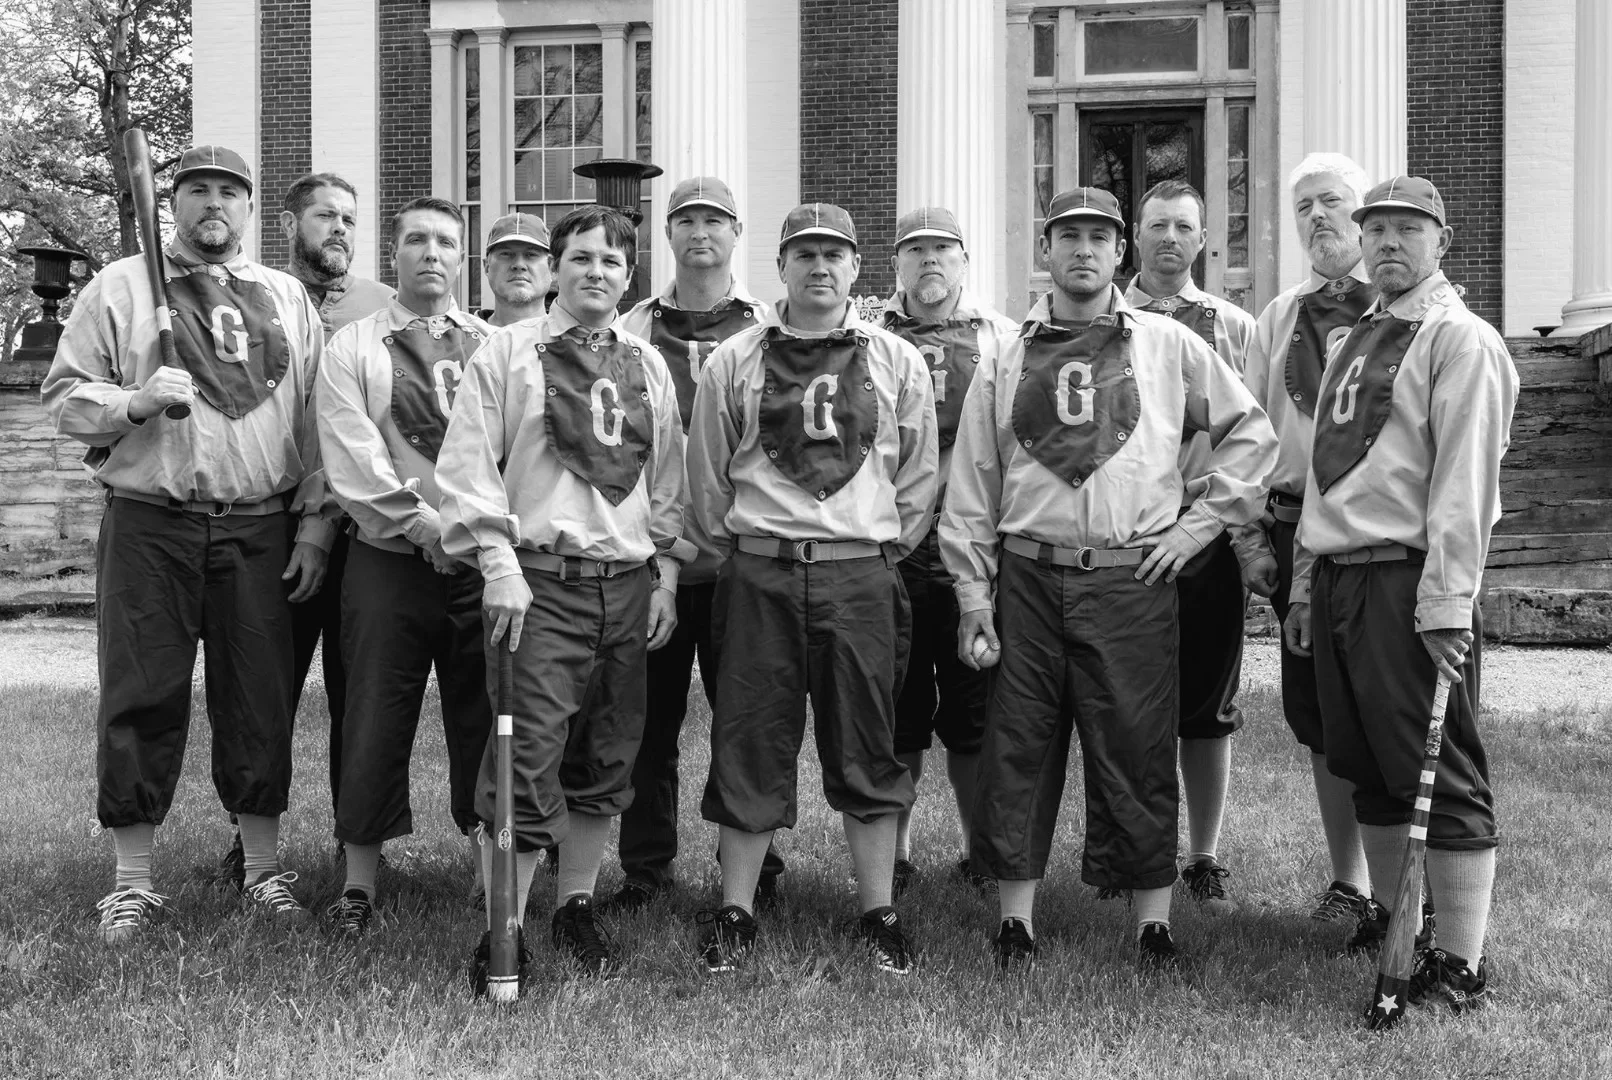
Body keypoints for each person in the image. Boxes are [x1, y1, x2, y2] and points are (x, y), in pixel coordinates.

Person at [940, 187, 1276, 971]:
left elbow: (1250, 435)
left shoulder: (1166, 345)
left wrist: (1200, 526)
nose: (1084, 251)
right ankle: (1015, 920)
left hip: (1132, 579)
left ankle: (1150, 921)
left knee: (1138, 742)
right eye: (1068, 237)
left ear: (1120, 251)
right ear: (1046, 252)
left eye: (1099, 236)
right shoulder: (1009, 354)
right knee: (1018, 743)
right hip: (1028, 572)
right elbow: (972, 484)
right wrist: (971, 594)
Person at [43, 145, 333, 941]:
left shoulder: (286, 296)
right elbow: (65, 398)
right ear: (172, 203)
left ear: (249, 209)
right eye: (198, 191)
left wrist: (313, 521)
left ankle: (264, 869)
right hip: (151, 523)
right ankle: (133, 881)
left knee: (261, 697)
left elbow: (317, 421)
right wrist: (133, 401)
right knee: (141, 693)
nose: (215, 205)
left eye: (229, 193)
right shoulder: (122, 286)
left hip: (259, 526)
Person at [437, 204, 688, 985]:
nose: (596, 273)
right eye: (580, 259)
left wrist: (667, 574)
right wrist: (497, 559)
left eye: (612, 262)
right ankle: (502, 929)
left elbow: (668, 477)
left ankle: (575, 903)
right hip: (540, 582)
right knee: (527, 755)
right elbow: (469, 464)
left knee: (607, 754)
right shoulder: (507, 354)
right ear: (554, 268)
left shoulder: (646, 364)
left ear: (630, 274)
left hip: (625, 584)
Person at [1284, 177, 1517, 1016]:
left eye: (1406, 230)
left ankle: (1460, 961)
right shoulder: (1360, 335)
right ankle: (1402, 929)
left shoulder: (1459, 340)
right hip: (1344, 576)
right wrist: (1309, 581)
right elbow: (1326, 470)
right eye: (1374, 227)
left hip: (1407, 580)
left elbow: (1465, 483)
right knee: (1371, 769)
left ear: (1441, 241)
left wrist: (1448, 600)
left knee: (1438, 771)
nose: (1386, 242)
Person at [687, 202, 938, 976]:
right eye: (804, 254)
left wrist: (870, 548)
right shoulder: (736, 359)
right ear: (781, 268)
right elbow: (706, 473)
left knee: (867, 740)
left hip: (859, 573)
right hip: (760, 569)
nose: (819, 266)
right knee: (749, 740)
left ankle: (878, 910)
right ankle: (736, 908)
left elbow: (920, 477)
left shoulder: (897, 360)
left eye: (834, 254)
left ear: (858, 268)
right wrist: (745, 550)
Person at [314, 197, 495, 934]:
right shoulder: (352, 346)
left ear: (463, 257)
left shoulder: (495, 345)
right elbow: (350, 457)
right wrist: (424, 526)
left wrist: (471, 536)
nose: (430, 252)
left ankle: (494, 873)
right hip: (388, 561)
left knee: (488, 712)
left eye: (445, 242)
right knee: (371, 713)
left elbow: (511, 450)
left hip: (480, 565)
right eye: (416, 239)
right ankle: (358, 882)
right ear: (394, 253)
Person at [215, 173, 398, 890]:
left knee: (360, 695)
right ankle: (251, 840)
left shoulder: (381, 307)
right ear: (290, 221)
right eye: (325, 215)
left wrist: (327, 520)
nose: (340, 229)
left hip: (361, 531)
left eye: (350, 217)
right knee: (266, 688)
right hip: (271, 525)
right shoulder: (257, 297)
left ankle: (358, 840)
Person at [613, 176, 784, 912]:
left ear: (737, 233)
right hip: (651, 553)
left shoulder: (771, 327)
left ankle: (756, 865)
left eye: (714, 220)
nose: (699, 233)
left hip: (739, 556)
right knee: (645, 720)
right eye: (685, 220)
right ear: (667, 233)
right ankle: (647, 866)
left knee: (746, 718)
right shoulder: (631, 330)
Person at [1244, 153, 1380, 923]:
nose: (1319, 217)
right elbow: (1257, 431)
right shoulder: (1278, 317)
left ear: (1360, 211)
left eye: (1331, 201)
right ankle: (1349, 882)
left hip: (1379, 529)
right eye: (1304, 207)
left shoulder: (1402, 309)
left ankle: (1405, 888)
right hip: (1299, 525)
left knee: (1382, 701)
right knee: (1321, 709)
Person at [1122, 180, 1260, 916]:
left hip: (1204, 537)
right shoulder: (1100, 323)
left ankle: (1202, 855)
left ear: (1203, 239)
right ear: (1133, 239)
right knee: (1129, 704)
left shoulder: (1233, 328)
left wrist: (1235, 532)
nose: (1170, 238)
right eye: (1157, 225)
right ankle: (1134, 847)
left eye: (1184, 226)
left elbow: (1252, 435)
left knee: (1207, 707)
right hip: (1128, 541)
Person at [878, 207, 1017, 895]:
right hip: (893, 558)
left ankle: (978, 849)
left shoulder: (1003, 340)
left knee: (973, 715)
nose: (929, 261)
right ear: (895, 264)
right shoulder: (866, 336)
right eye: (915, 250)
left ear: (965, 261)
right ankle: (895, 853)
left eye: (943, 249)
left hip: (975, 557)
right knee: (898, 710)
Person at [479, 212, 552, 327]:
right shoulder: (461, 340)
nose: (519, 265)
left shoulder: (575, 341)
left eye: (531, 254)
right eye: (506, 254)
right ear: (487, 266)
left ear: (551, 267)